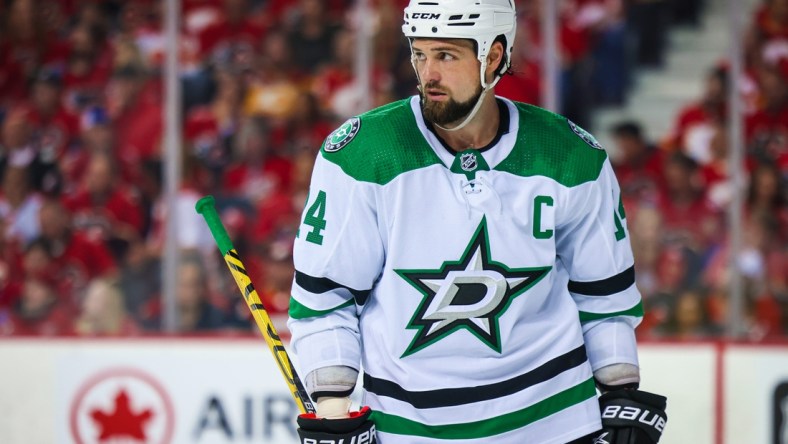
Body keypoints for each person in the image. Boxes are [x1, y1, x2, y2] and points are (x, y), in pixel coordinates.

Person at [287, 1, 667, 443]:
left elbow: (604, 297)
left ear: (493, 56)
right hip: (412, 431)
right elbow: (325, 297)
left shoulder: (571, 156)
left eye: (446, 55)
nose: (428, 73)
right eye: (420, 54)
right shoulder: (361, 155)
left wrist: (620, 392)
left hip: (556, 424)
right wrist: (334, 411)